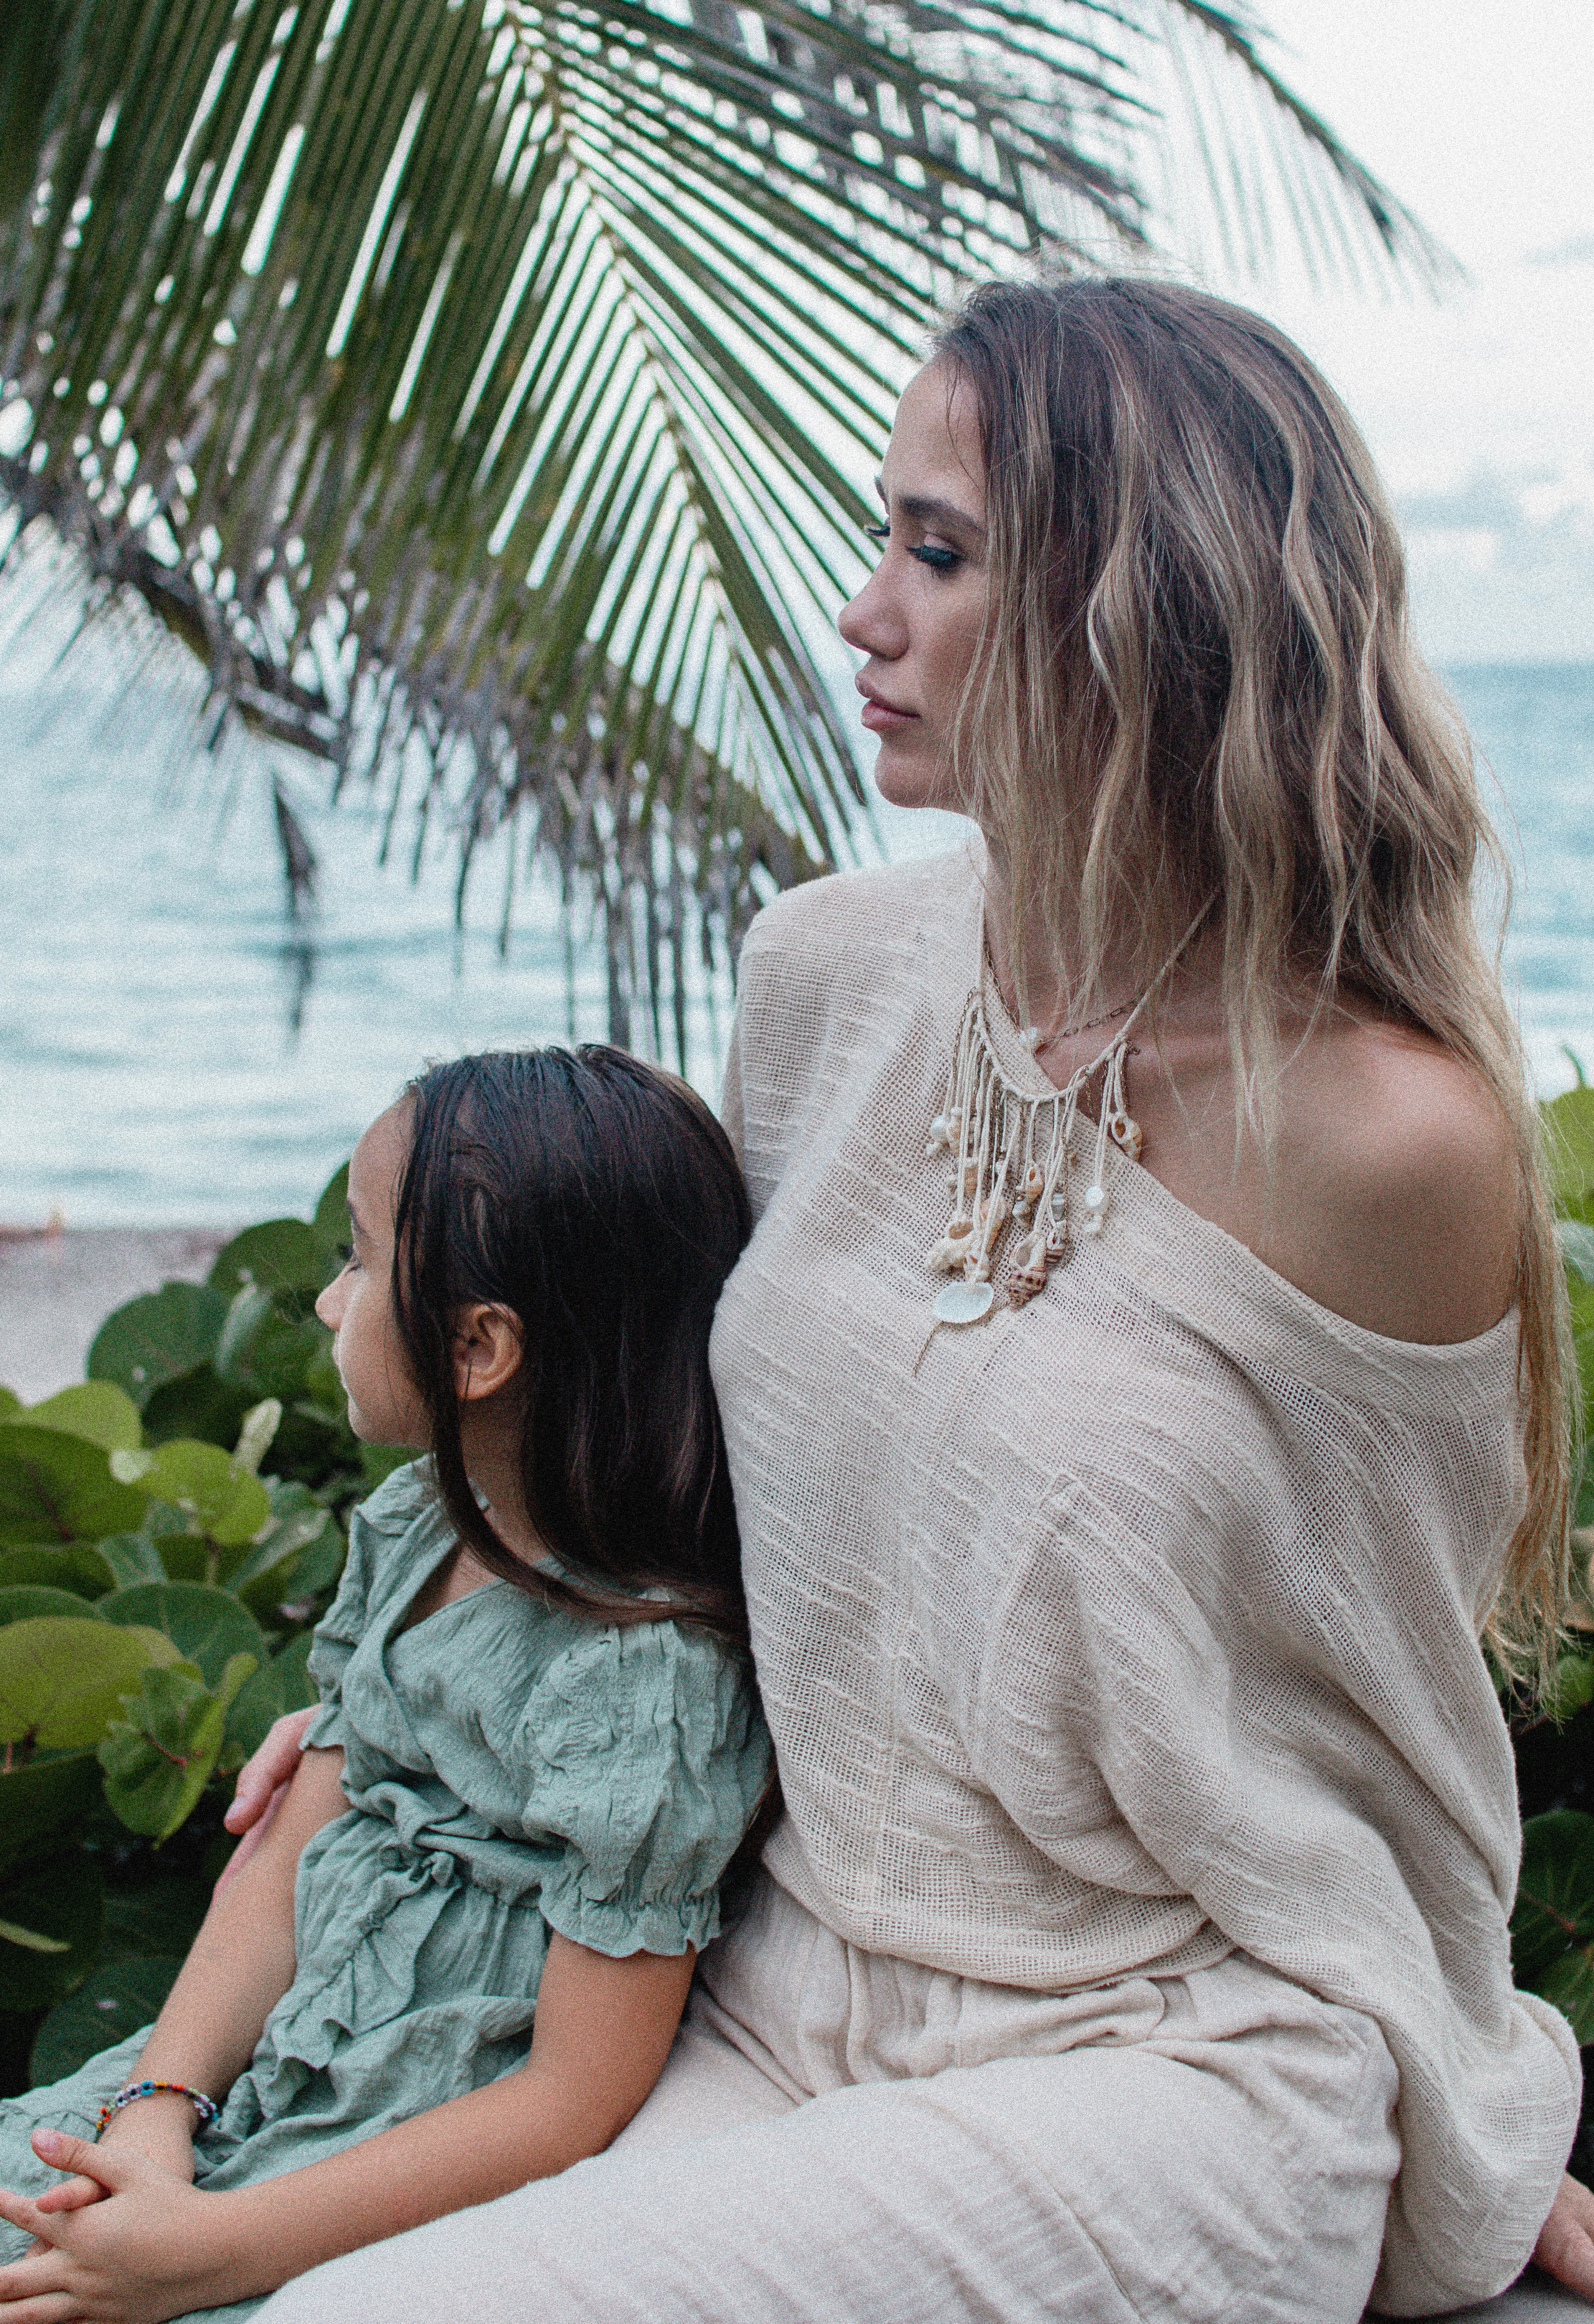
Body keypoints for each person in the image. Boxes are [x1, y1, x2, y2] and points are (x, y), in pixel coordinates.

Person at [49, 275, 1594, 2323]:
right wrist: (417, 1688)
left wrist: (1467, 2123)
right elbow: (678, 1486)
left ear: (1141, 608)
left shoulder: (1389, 1142)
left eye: (939, 553)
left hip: (1170, 2056)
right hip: (769, 1988)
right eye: (884, 538)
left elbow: (1388, 1703)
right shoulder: (827, 974)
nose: (864, 613)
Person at [0, 1047, 772, 2323]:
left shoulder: (646, 1682)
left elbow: (571, 2097)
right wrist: (155, 2108)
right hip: (253, 2067)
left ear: (476, 1346)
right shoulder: (420, 1526)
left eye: (357, 1261)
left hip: (389, 2145)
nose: (323, 1302)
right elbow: (294, 1853)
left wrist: (212, 2248)